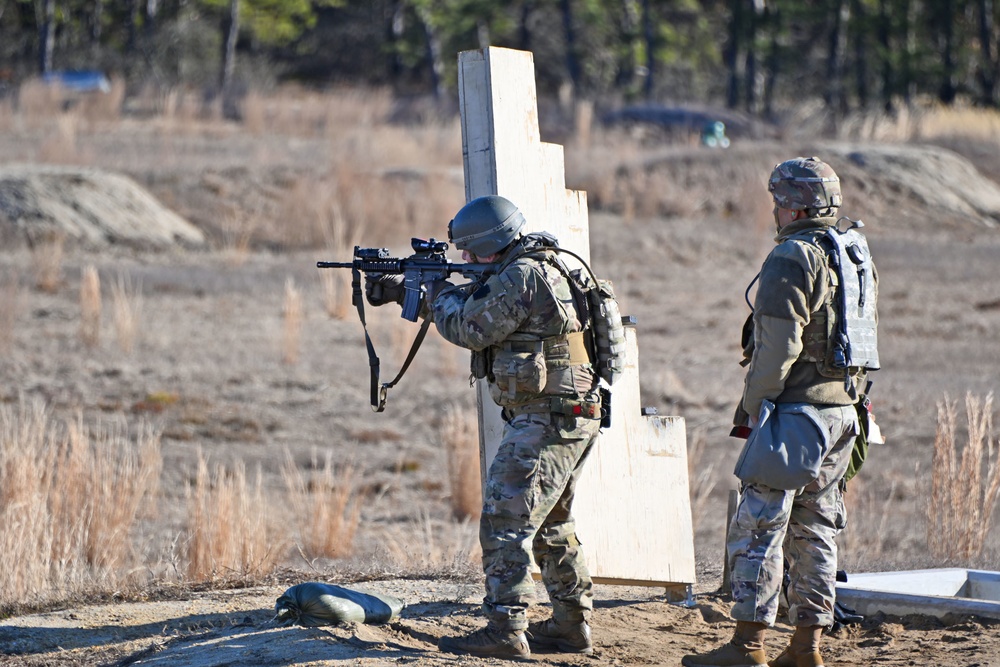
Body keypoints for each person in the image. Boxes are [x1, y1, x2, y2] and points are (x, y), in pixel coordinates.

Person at [365, 195, 602, 659]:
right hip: (565, 414)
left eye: (469, 254)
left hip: (547, 417)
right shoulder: (545, 264)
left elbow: (470, 327)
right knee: (551, 522)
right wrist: (405, 288)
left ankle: (507, 629)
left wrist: (436, 289)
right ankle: (571, 627)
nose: (465, 261)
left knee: (504, 522)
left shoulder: (522, 275)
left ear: (490, 246)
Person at [683, 157, 878, 667]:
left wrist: (752, 407)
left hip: (795, 417)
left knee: (759, 528)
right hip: (844, 412)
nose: (773, 208)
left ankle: (747, 647)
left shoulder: (792, 257)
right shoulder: (852, 251)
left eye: (778, 200)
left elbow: (776, 349)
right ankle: (805, 648)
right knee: (816, 531)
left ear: (794, 205)